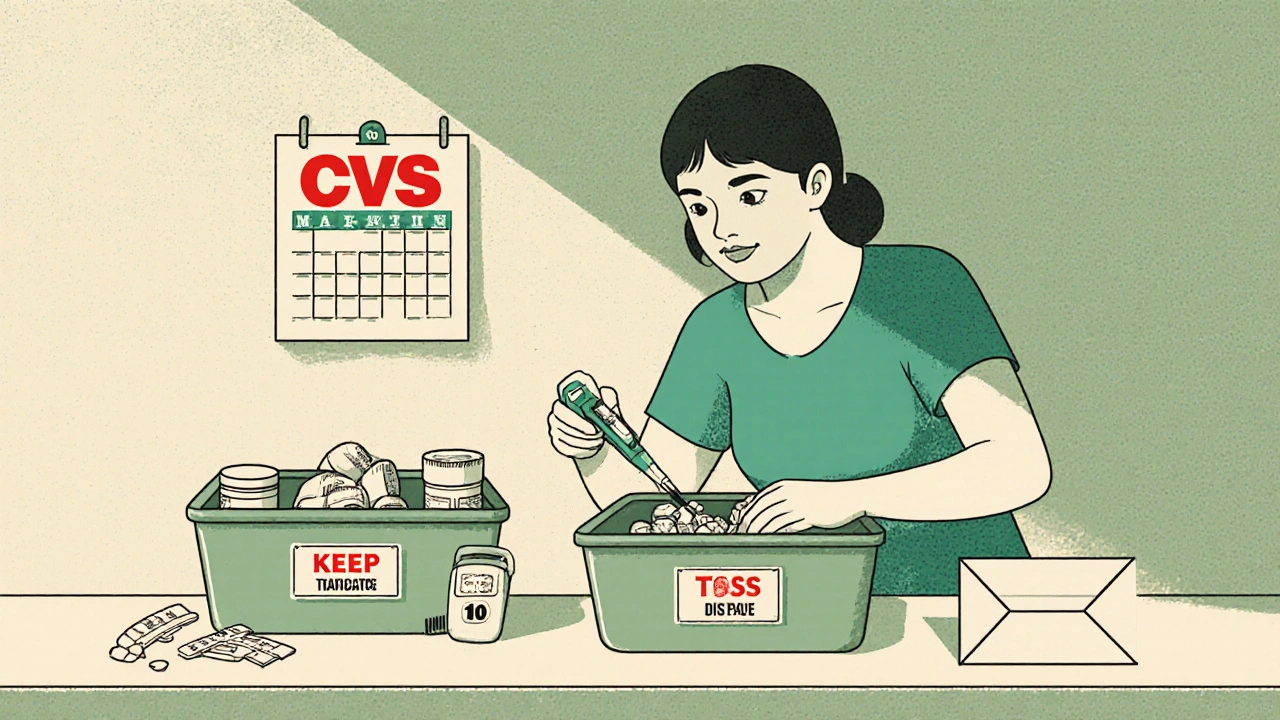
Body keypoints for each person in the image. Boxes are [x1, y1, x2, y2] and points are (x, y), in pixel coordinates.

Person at [546, 64, 1051, 595]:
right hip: (816, 612)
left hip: (964, 609)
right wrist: (594, 450)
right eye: (698, 205)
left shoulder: (921, 288)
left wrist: (846, 498)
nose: (720, 229)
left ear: (816, 184)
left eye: (749, 195)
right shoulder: (715, 330)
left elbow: (1020, 464)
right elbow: (660, 498)